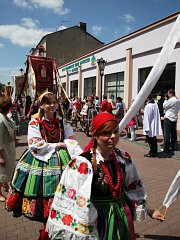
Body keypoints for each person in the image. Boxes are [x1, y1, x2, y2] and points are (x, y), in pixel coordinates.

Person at [47, 112, 165, 240]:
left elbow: (132, 188)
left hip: (120, 218)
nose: (113, 136)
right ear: (95, 135)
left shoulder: (123, 158)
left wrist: (149, 211)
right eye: (106, 133)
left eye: (115, 131)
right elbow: (73, 200)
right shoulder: (82, 164)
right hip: (96, 220)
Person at [6, 92, 82, 239]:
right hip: (42, 159)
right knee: (44, 190)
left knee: (65, 190)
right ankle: (47, 226)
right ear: (41, 105)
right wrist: (58, 145)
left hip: (63, 160)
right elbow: (35, 144)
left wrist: (75, 151)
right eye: (48, 103)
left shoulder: (61, 122)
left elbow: (71, 139)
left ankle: (57, 224)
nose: (52, 105)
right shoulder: (35, 123)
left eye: (54, 102)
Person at [0, 96, 16, 202]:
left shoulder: (6, 117)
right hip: (3, 148)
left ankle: (5, 185)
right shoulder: (0, 121)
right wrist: (0, 156)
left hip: (9, 147)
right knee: (1, 171)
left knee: (8, 169)